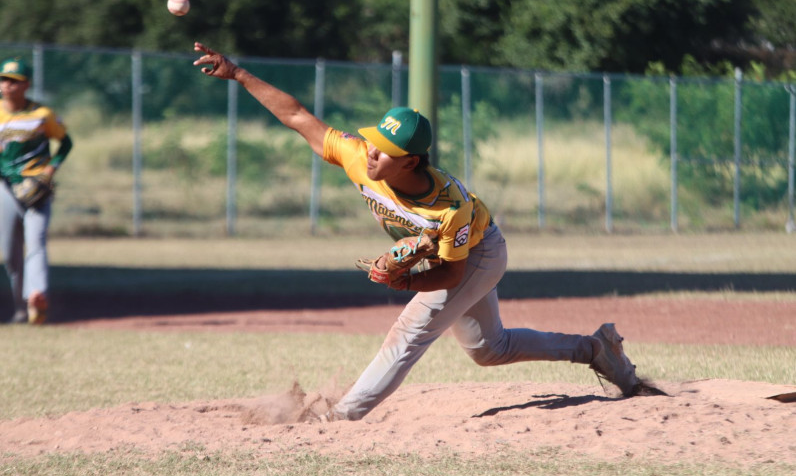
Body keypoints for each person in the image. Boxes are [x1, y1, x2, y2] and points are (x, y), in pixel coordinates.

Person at [192, 42, 642, 421]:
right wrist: (238, 74)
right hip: (455, 257)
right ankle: (595, 349)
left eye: (384, 151)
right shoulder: (358, 157)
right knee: (490, 348)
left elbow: (449, 275)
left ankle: (340, 417)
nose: (371, 153)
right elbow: (297, 117)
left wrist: (406, 280)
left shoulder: (450, 208)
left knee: (410, 331)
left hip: (478, 253)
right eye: (373, 141)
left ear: (410, 161)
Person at [0, 57, 73, 324]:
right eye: (4, 79)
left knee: (37, 242)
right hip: (5, 188)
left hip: (37, 186)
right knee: (10, 253)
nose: (8, 85)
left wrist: (50, 170)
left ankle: (37, 297)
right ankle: (21, 307)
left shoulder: (41, 115)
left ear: (26, 85)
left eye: (15, 81)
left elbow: (65, 143)